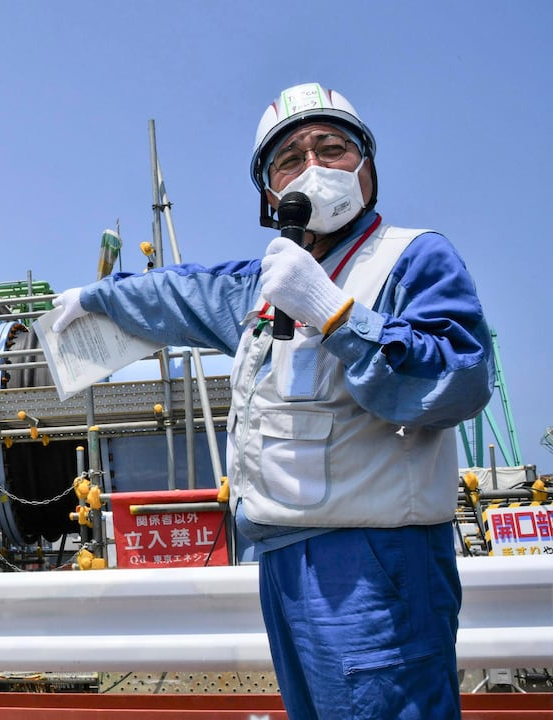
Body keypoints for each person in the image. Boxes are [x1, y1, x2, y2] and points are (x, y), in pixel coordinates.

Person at [51, 82, 494, 719]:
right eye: (289, 159)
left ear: (366, 169)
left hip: (377, 562)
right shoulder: (261, 289)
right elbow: (182, 292)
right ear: (269, 192)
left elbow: (459, 376)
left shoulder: (411, 258)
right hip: (282, 560)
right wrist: (98, 299)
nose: (313, 167)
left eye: (333, 148)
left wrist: (334, 312)